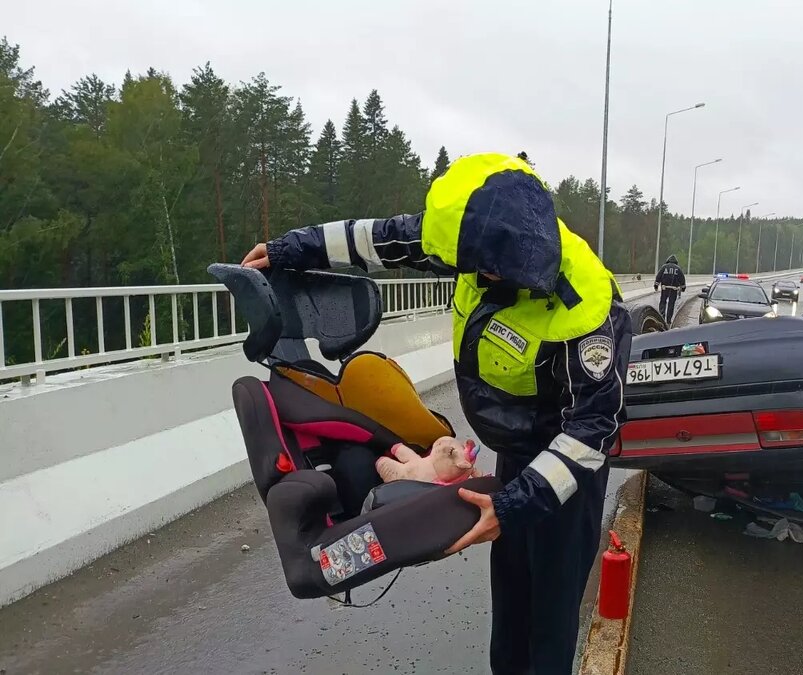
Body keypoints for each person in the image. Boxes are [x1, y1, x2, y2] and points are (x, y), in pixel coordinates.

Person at [241, 152, 632, 675]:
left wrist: (516, 505)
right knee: (511, 603)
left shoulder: (585, 312)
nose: (478, 275)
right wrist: (291, 249)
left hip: (567, 467)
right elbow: (375, 240)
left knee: (550, 613)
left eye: (491, 273)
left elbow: (590, 432)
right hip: (515, 450)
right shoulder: (474, 231)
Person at [654, 254, 686, 324]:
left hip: (665, 288)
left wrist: (656, 286)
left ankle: (662, 317)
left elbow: (658, 277)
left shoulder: (664, 267)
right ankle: (668, 320)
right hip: (673, 289)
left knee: (663, 302)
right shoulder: (678, 268)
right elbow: (682, 279)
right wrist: (683, 288)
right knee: (671, 304)